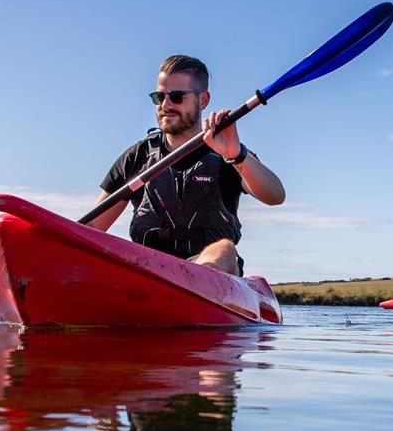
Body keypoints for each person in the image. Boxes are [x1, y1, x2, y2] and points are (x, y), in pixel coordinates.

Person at [87, 55, 286, 276]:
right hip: (150, 270)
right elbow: (92, 228)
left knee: (224, 249)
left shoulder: (226, 152)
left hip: (213, 276)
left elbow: (275, 195)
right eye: (159, 97)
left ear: (203, 101)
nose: (166, 105)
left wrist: (236, 155)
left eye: (176, 97)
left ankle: (193, 284)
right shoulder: (137, 157)